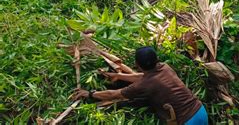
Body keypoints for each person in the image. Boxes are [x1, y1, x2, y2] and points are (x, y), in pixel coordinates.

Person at [73, 47, 208, 125]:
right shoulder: (165, 67)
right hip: (201, 111)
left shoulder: (144, 85)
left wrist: (90, 94)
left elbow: (114, 94)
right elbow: (142, 77)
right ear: (156, 60)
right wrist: (119, 76)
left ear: (138, 64)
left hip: (187, 121)